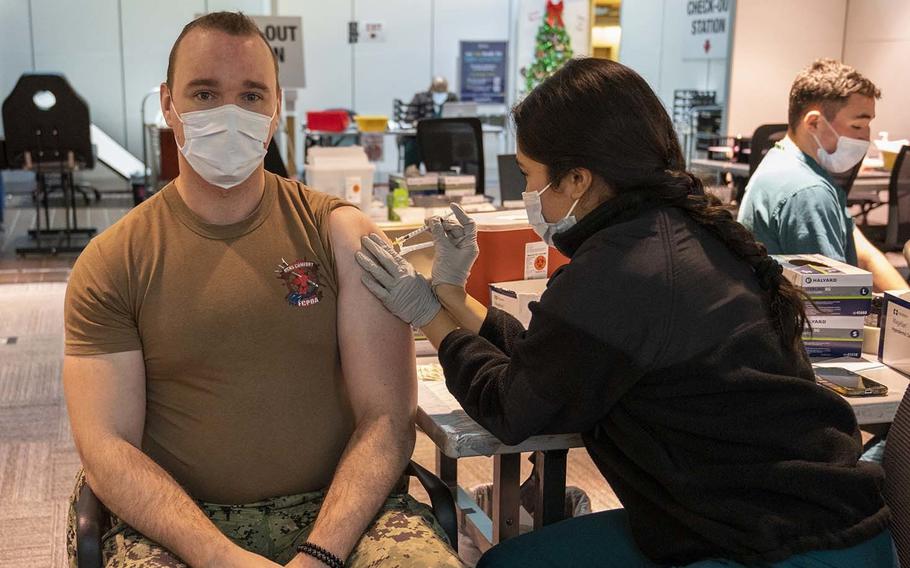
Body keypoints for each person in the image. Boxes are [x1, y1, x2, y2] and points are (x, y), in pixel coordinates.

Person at [355, 58, 898, 567]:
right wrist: (450, 291)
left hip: (781, 545)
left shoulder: (620, 270)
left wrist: (424, 312)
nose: (527, 193)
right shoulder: (672, 232)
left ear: (578, 179)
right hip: (791, 517)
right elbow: (555, 362)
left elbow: (511, 407)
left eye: (527, 176)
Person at [62, 12, 461, 568]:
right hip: (180, 524)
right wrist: (221, 558)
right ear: (167, 103)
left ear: (276, 110)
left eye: (251, 96)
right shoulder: (112, 263)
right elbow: (108, 451)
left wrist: (320, 553)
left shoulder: (341, 236)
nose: (230, 114)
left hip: (341, 512)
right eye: (204, 93)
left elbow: (387, 418)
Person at [738, 59, 906, 292]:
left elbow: (863, 252)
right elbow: (837, 300)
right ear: (814, 123)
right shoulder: (808, 191)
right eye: (857, 127)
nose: (866, 138)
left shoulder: (786, 161)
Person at [402, 76, 459, 171]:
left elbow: (459, 114)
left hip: (445, 137)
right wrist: (415, 122)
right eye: (437, 89)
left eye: (442, 90)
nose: (440, 93)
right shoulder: (420, 98)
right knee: (412, 146)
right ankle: (411, 174)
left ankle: (444, 175)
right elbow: (409, 117)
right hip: (420, 137)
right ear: (431, 88)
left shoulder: (451, 98)